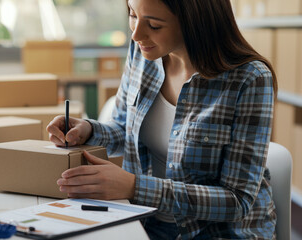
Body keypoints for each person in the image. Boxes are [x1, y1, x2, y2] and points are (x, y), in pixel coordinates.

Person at [46, 0, 277, 239]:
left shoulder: (251, 79)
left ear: (195, 23)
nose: (136, 34)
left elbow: (237, 201)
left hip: (216, 232)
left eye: (154, 25)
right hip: (147, 219)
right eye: (133, 15)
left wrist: (134, 186)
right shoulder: (143, 52)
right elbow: (126, 130)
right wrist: (88, 131)